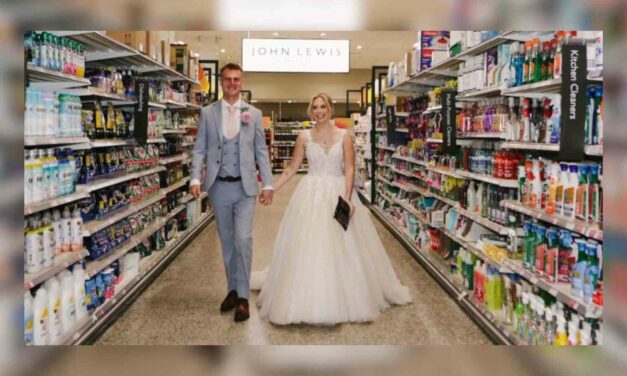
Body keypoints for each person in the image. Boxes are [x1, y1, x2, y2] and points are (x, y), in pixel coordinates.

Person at [251, 93, 412, 325]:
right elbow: (292, 169)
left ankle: (345, 294)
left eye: (323, 106)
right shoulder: (304, 136)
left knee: (344, 245)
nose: (319, 111)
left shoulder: (345, 136)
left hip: (338, 193)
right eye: (315, 107)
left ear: (330, 108)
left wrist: (347, 197)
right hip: (310, 196)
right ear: (310, 110)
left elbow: (349, 168)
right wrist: (271, 188)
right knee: (309, 244)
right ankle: (307, 296)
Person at [190, 63, 274, 322]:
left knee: (243, 240)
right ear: (221, 82)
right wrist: (195, 177)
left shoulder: (254, 114)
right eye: (227, 79)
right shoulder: (208, 113)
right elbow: (200, 149)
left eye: (237, 79)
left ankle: (244, 298)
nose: (232, 83)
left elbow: (261, 150)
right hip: (218, 187)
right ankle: (232, 290)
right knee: (227, 241)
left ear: (242, 82)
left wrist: (268, 183)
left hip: (246, 186)